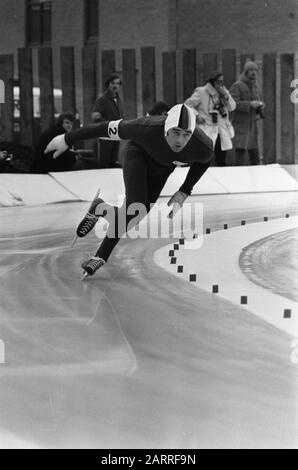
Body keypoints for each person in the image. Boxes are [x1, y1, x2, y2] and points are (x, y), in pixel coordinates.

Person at [45, 104, 214, 277]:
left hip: (162, 169)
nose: (180, 140)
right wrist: (67, 139)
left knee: (135, 215)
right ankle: (101, 255)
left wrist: (185, 190)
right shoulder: (145, 128)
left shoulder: (202, 145)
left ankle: (100, 209)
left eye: (186, 135)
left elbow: (205, 161)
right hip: (138, 154)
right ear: (166, 128)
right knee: (135, 205)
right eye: (175, 132)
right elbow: (103, 127)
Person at [185, 70, 236, 166]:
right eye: (218, 82)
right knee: (204, 159)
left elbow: (232, 107)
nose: (220, 84)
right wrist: (196, 115)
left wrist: (226, 96)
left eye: (222, 82)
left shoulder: (224, 92)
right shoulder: (201, 92)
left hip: (221, 129)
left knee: (221, 159)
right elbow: (187, 105)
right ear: (212, 82)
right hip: (207, 128)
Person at [229, 60, 265, 166]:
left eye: (255, 70)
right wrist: (249, 104)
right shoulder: (237, 86)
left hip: (252, 126)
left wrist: (260, 106)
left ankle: (257, 179)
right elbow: (232, 104)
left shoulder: (256, 87)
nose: (254, 72)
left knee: (255, 156)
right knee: (240, 154)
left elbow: (258, 100)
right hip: (241, 126)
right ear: (246, 72)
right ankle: (238, 178)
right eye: (251, 70)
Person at [91, 73, 124, 168]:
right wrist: (110, 124)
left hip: (116, 137)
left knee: (113, 164)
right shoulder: (102, 100)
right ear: (108, 84)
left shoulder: (119, 100)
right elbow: (95, 117)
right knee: (103, 165)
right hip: (104, 138)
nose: (115, 86)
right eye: (113, 83)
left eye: (118, 84)